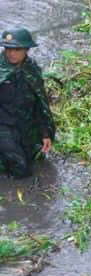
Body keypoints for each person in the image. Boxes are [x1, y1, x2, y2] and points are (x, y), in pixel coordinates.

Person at [0, 28, 55, 179]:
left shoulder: (32, 69)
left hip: (24, 122)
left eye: (17, 49)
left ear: (27, 49)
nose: (12, 53)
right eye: (8, 49)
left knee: (35, 157)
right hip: (3, 125)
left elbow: (39, 103)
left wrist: (45, 133)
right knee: (21, 167)